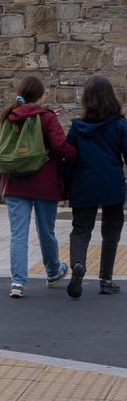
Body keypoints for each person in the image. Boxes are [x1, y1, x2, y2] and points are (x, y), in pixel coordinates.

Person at [0, 75, 76, 298]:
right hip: (44, 183)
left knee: (18, 235)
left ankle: (18, 282)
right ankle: (53, 272)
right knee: (46, 231)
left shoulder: (9, 116)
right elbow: (60, 146)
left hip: (14, 182)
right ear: (41, 96)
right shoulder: (47, 118)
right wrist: (77, 155)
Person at [65, 75, 127, 298]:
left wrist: (68, 186)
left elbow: (69, 157)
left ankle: (78, 264)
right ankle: (106, 279)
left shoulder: (77, 128)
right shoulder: (120, 125)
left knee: (81, 229)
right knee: (111, 232)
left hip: (84, 184)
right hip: (112, 184)